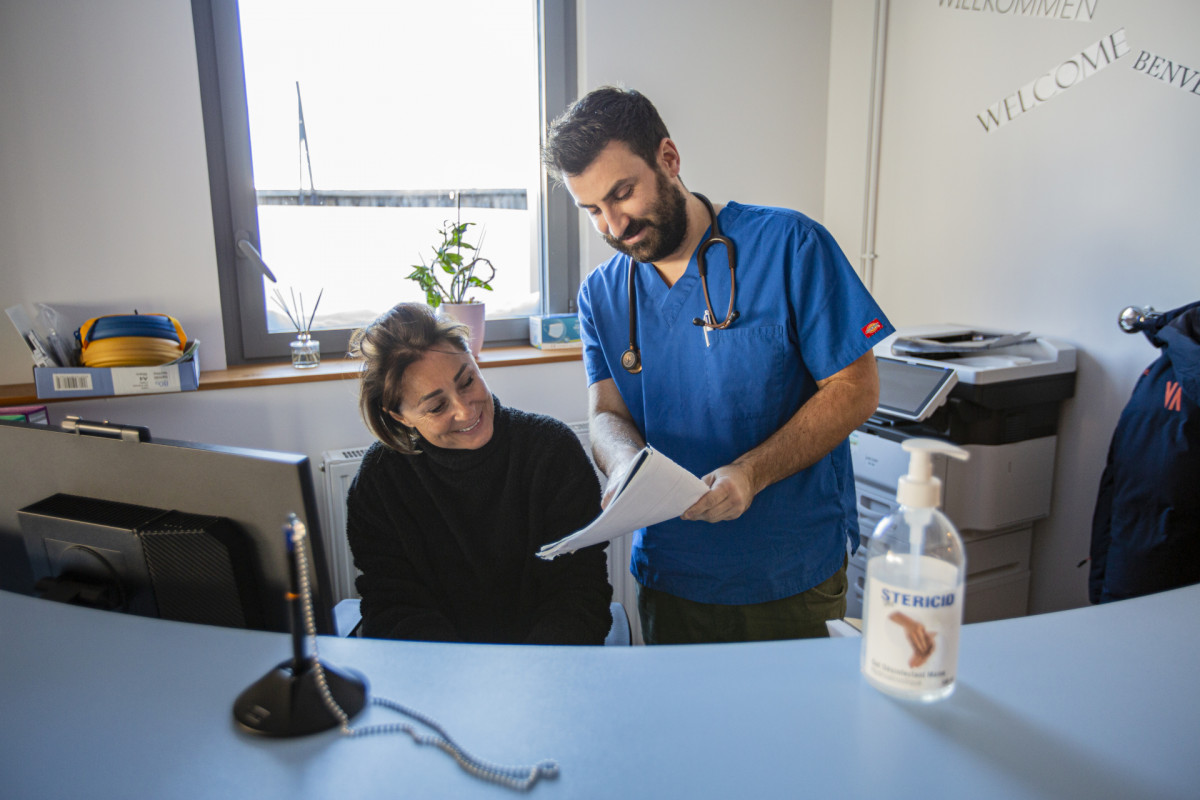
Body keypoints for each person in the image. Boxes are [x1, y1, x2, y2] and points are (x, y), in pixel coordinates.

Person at [542, 86, 894, 644]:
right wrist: (623, 462)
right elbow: (606, 409)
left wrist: (750, 472)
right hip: (672, 572)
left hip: (788, 570)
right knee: (685, 730)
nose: (613, 226)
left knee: (793, 729)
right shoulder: (601, 296)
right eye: (592, 211)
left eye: (623, 193)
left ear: (669, 158)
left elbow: (856, 387)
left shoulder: (789, 245)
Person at [344, 302, 612, 644]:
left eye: (468, 381)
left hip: (548, 668)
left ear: (474, 361)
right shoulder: (381, 480)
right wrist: (457, 678)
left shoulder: (550, 450)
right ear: (399, 416)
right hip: (438, 674)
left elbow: (579, 591)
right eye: (437, 406)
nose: (465, 409)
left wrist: (532, 675)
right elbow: (393, 604)